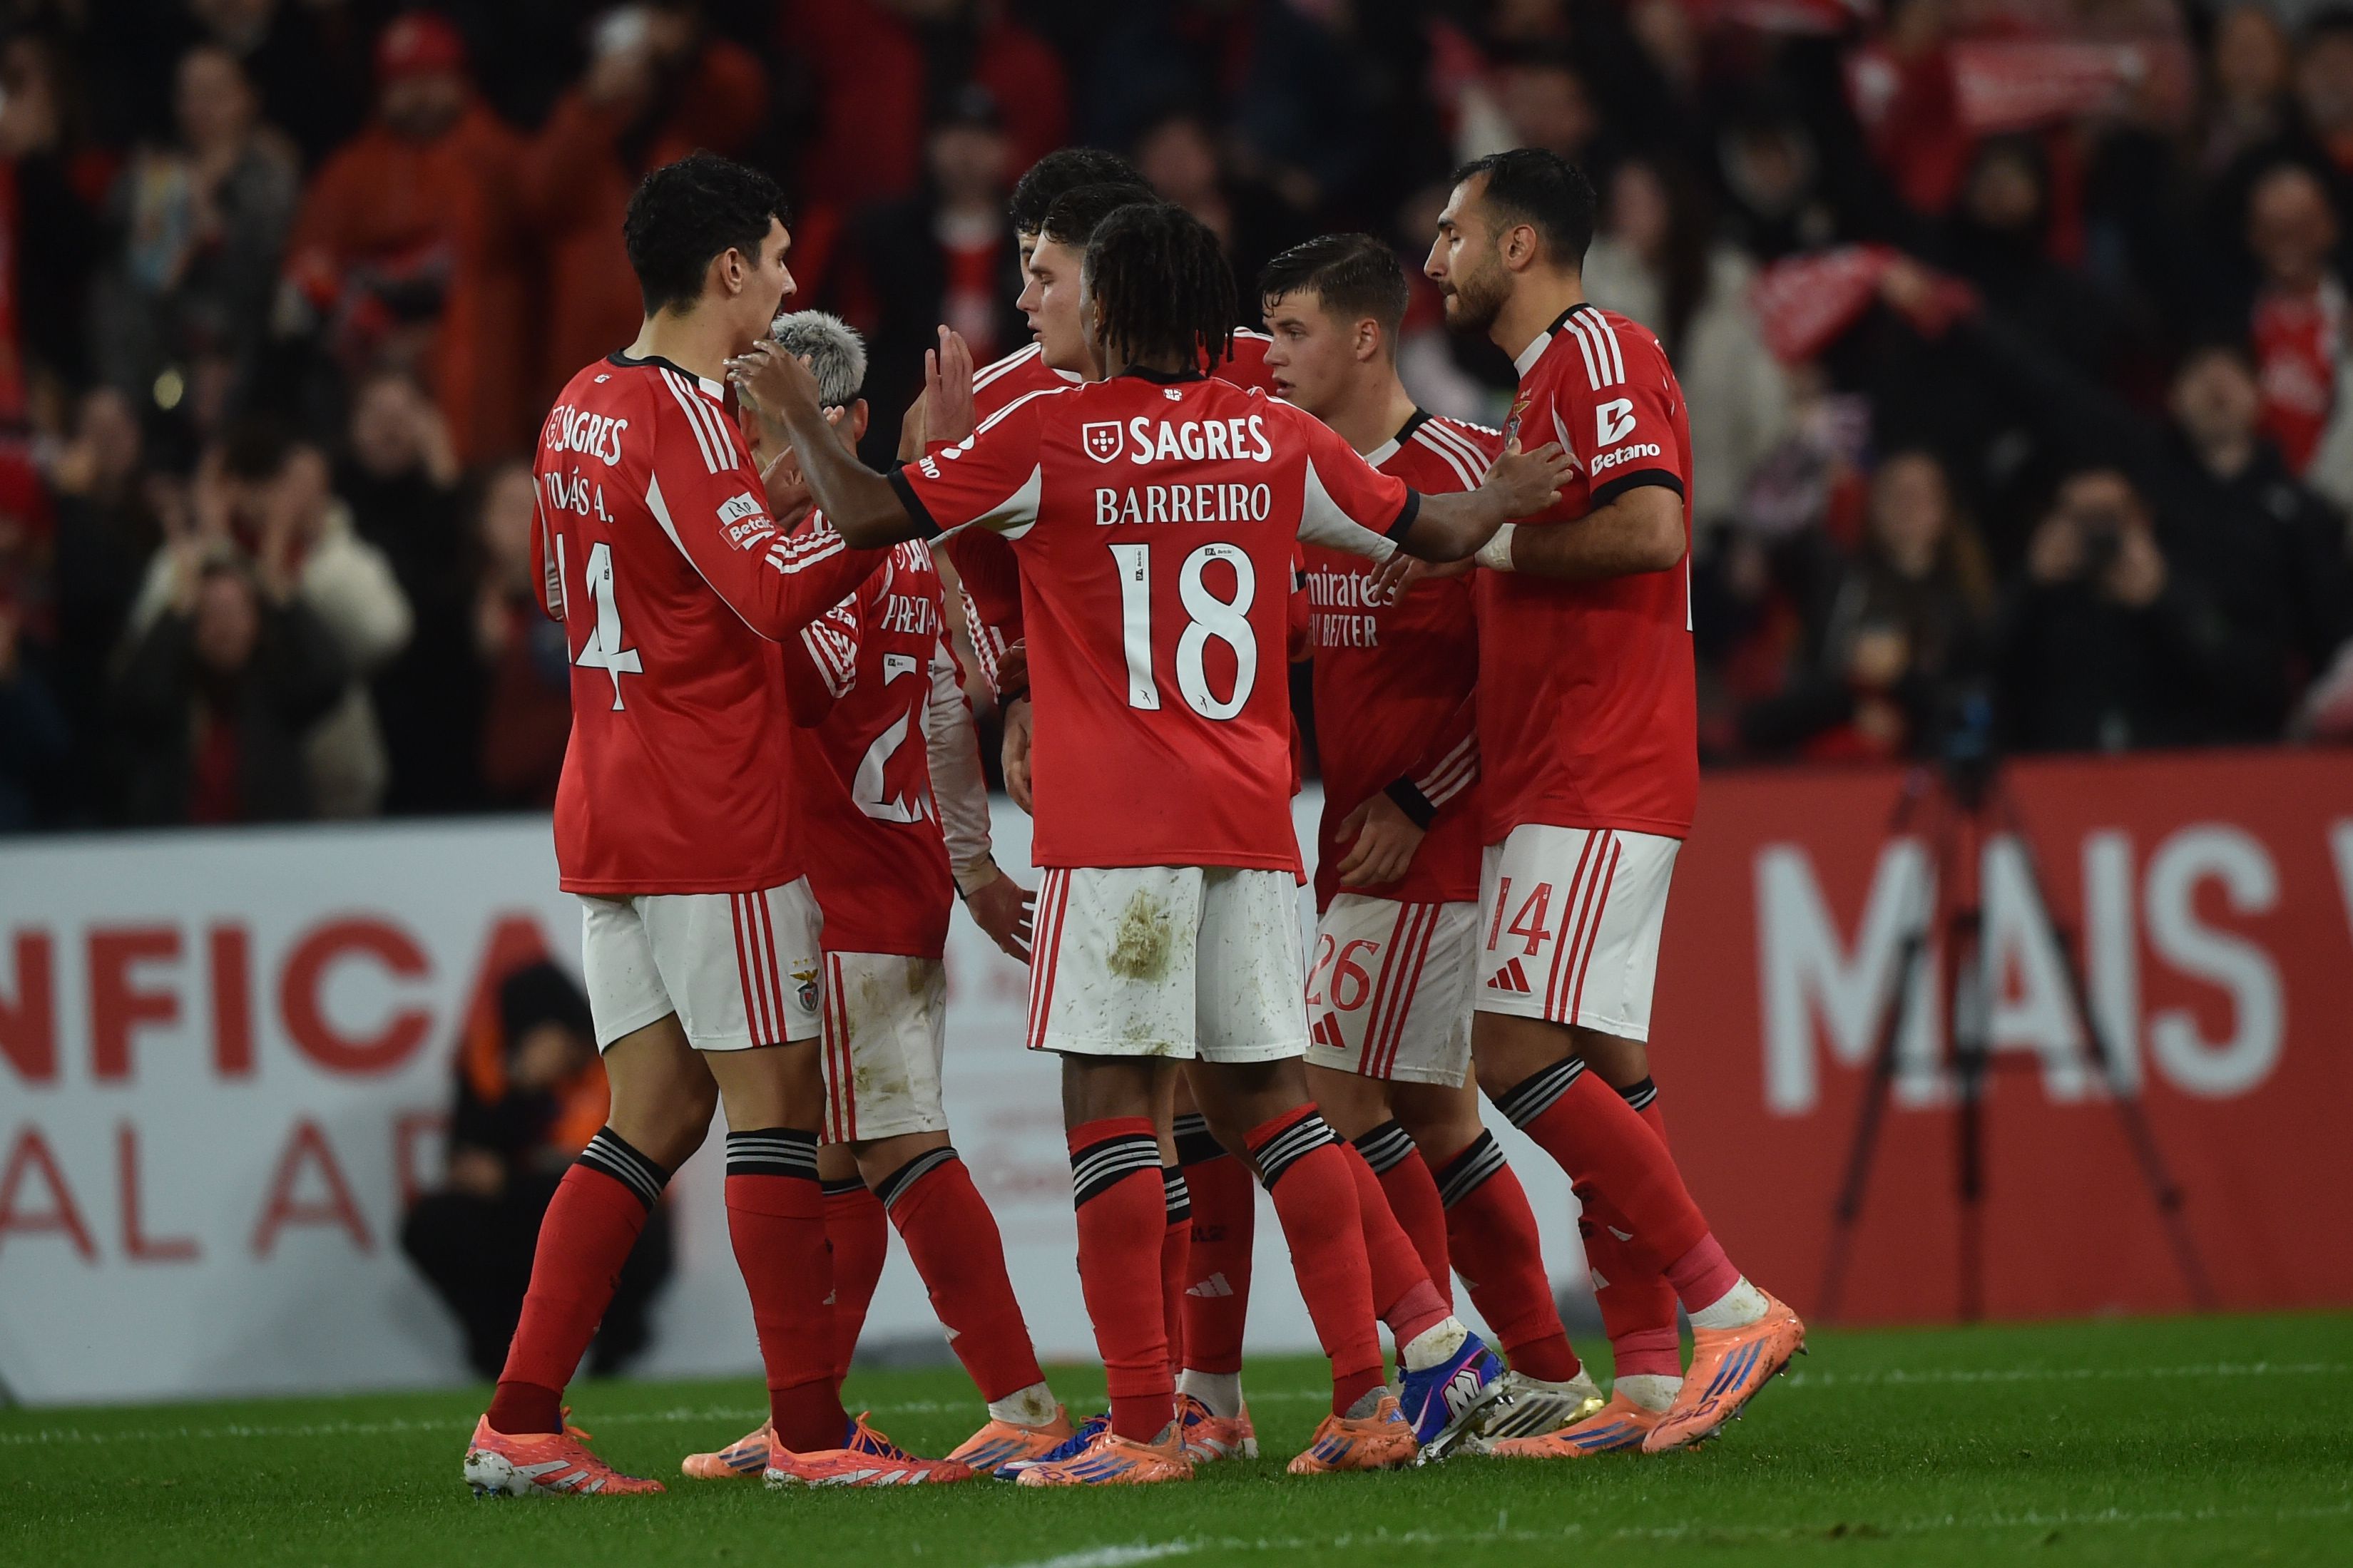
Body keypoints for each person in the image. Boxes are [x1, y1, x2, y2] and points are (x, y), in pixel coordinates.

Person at [735, 198, 1574, 1483]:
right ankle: (1364, 1395)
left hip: (1116, 834)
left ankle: (1139, 1424)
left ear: (1118, 307)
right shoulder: (1275, 432)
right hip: (1248, 828)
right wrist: (1506, 488)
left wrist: (799, 409)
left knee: (1110, 1116)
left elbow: (860, 515)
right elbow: (1436, 531)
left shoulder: (1048, 435)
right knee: (1270, 1106)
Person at [459, 152, 964, 1498]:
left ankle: (519, 1415)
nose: (794, 284)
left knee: (650, 1116)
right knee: (779, 1110)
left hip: (604, 807)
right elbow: (766, 591)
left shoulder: (576, 402)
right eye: (781, 261)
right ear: (728, 269)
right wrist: (883, 503)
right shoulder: (681, 413)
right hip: (710, 817)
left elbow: (561, 588)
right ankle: (808, 1430)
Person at [1424, 147, 1804, 1455]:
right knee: (1597, 1064)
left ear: (1517, 246)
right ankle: (1644, 1375)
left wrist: (1496, 536)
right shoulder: (1538, 381)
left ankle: (1726, 1301)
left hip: (1597, 762)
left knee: (1512, 1052)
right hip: (1555, 767)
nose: (1436, 261)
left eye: (1452, 234)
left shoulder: (1593, 351)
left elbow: (1651, 529)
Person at [678, 310, 1071, 1481]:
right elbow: (956, 708)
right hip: (877, 882)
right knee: (839, 1155)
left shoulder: (841, 560)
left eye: (777, 433)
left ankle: (1024, 1397)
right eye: (744, 433)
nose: (755, 462)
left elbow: (808, 685)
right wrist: (970, 863)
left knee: (896, 1142)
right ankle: (810, 1412)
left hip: (847, 889)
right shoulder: (903, 550)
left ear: (842, 424)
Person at [1257, 231, 1617, 1448]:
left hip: (1437, 838)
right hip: (1361, 836)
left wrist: (1419, 797)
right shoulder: (1306, 480)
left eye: (1292, 331)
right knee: (1432, 1111)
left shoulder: (1464, 468)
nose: (1271, 355)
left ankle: (1432, 1367)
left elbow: (1524, 672)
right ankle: (1544, 1373)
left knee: (1321, 1089)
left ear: (1365, 335)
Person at [402, 960, 671, 1381]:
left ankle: (615, 1352)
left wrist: (511, 1181)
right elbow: (467, 1164)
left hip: (608, 1216)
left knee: (625, 1220)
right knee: (435, 1222)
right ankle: (499, 1358)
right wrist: (523, 1089)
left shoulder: (615, 1063)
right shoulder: (488, 1064)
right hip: (523, 1218)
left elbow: (629, 1172)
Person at [280, 12, 529, 466]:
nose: (419, 96)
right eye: (404, 83)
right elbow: (306, 270)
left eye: (432, 79)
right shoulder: (351, 170)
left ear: (461, 82)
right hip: (374, 371)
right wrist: (373, 327)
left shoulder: (500, 158)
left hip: (481, 369)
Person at [109, 550, 347, 825]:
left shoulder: (278, 695)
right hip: (177, 855)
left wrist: (285, 600)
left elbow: (331, 675)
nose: (225, 627)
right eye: (211, 613)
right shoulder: (171, 699)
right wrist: (174, 615)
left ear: (257, 622)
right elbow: (134, 699)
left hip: (266, 852)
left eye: (236, 612)